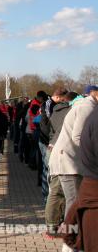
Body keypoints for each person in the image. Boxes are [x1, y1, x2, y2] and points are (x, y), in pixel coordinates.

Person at [50, 85, 98, 218]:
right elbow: (77, 136)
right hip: (68, 161)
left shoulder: (87, 106)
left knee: (73, 200)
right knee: (73, 202)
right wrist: (91, 156)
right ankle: (70, 234)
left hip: (71, 160)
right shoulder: (87, 107)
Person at [63, 85, 98, 251]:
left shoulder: (91, 112)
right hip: (71, 162)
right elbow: (77, 136)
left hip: (86, 179)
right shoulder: (88, 109)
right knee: (70, 199)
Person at [44, 91, 78, 238]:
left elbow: (48, 129)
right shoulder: (71, 111)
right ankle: (57, 226)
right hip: (62, 152)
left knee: (56, 190)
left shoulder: (56, 111)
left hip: (53, 149)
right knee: (60, 191)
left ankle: (54, 224)